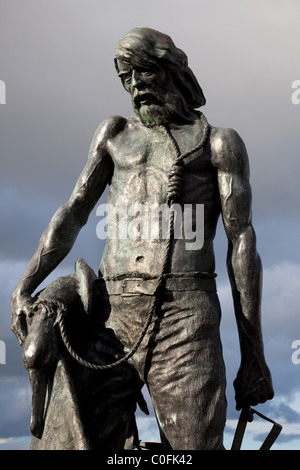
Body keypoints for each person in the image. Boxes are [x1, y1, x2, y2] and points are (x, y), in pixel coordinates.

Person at [11, 27, 274, 450]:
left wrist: (254, 354)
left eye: (144, 74)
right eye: (126, 78)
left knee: (194, 449)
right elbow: (73, 212)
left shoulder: (219, 144)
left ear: (171, 70)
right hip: (110, 316)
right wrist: (24, 284)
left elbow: (242, 243)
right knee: (82, 438)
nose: (135, 87)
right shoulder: (114, 134)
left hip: (185, 319)